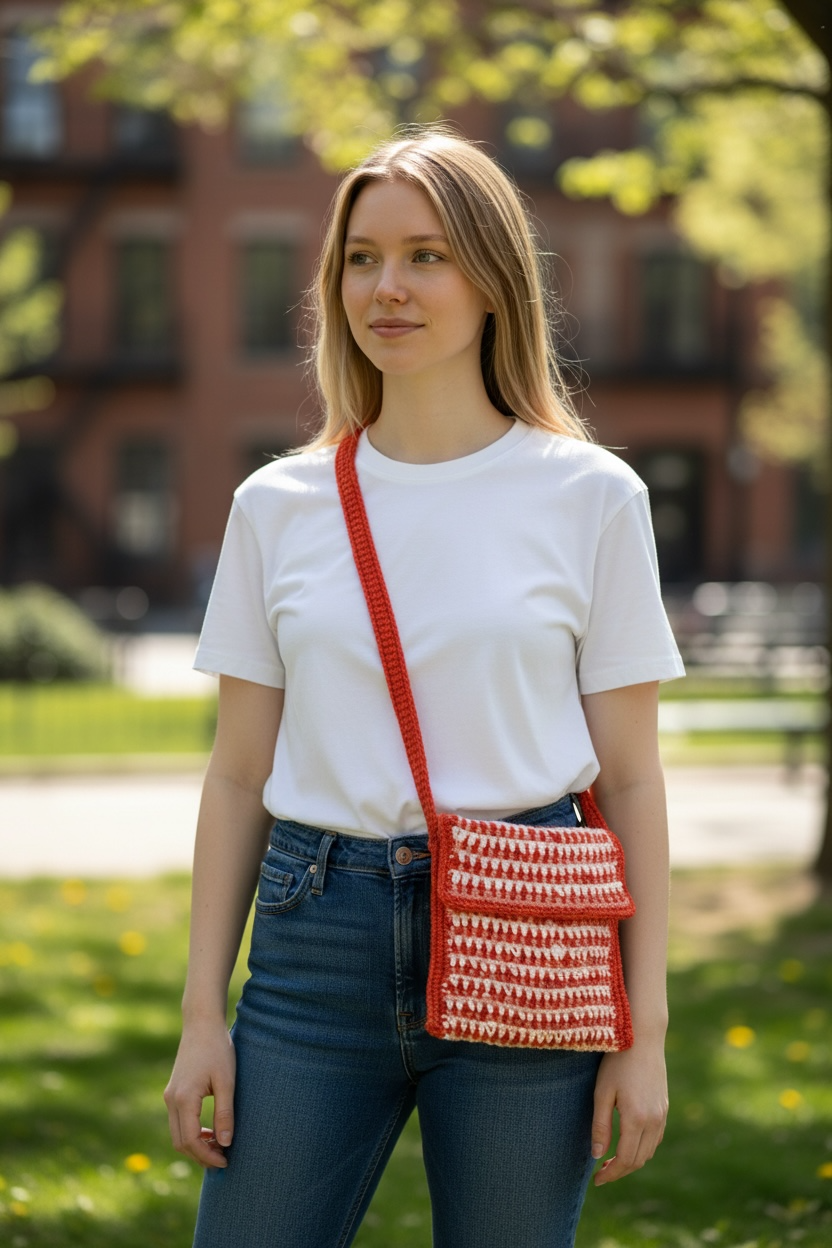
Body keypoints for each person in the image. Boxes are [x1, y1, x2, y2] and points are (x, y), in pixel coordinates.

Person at [164, 125, 685, 1248]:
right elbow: (238, 772)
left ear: (494, 279)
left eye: (425, 256)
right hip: (315, 943)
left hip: (528, 931)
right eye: (360, 258)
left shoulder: (592, 497)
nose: (385, 287)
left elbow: (634, 782)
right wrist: (203, 1015)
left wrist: (641, 1034)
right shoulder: (277, 506)